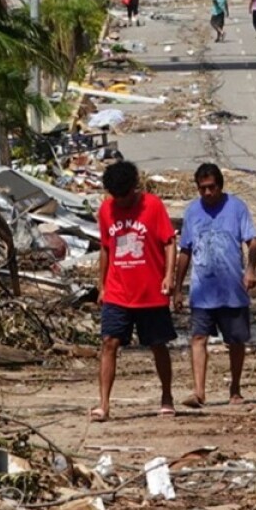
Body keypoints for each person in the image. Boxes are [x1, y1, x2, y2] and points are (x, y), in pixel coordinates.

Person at [94, 160, 178, 421]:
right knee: (109, 342)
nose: (121, 201)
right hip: (118, 291)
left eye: (125, 195)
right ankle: (104, 405)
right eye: (116, 196)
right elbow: (106, 248)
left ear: (135, 188)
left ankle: (166, 395)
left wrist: (168, 276)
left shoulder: (153, 206)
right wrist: (102, 285)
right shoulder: (106, 210)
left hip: (150, 291)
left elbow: (169, 241)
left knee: (157, 344)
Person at [173, 163, 256, 408]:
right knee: (198, 337)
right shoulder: (192, 212)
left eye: (211, 188)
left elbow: (252, 242)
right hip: (202, 290)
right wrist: (178, 288)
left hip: (232, 287)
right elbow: (185, 251)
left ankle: (235, 388)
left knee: (235, 340)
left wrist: (251, 269)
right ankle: (199, 392)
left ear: (220, 186)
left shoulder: (237, 208)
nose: (208, 193)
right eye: (203, 189)